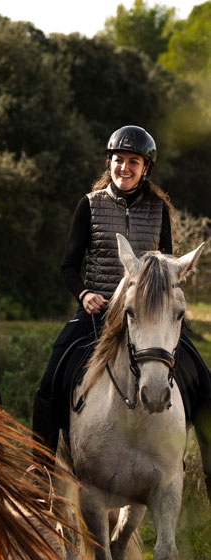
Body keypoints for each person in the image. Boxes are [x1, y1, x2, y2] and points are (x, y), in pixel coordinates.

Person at [32, 125, 211, 495]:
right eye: (118, 160)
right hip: (98, 309)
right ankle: (40, 468)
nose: (124, 168)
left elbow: (164, 265)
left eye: (134, 161)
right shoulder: (90, 204)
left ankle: (209, 476)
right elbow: (69, 265)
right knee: (51, 380)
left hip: (148, 314)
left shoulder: (159, 208)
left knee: (205, 382)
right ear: (108, 162)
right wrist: (83, 294)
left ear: (146, 168)